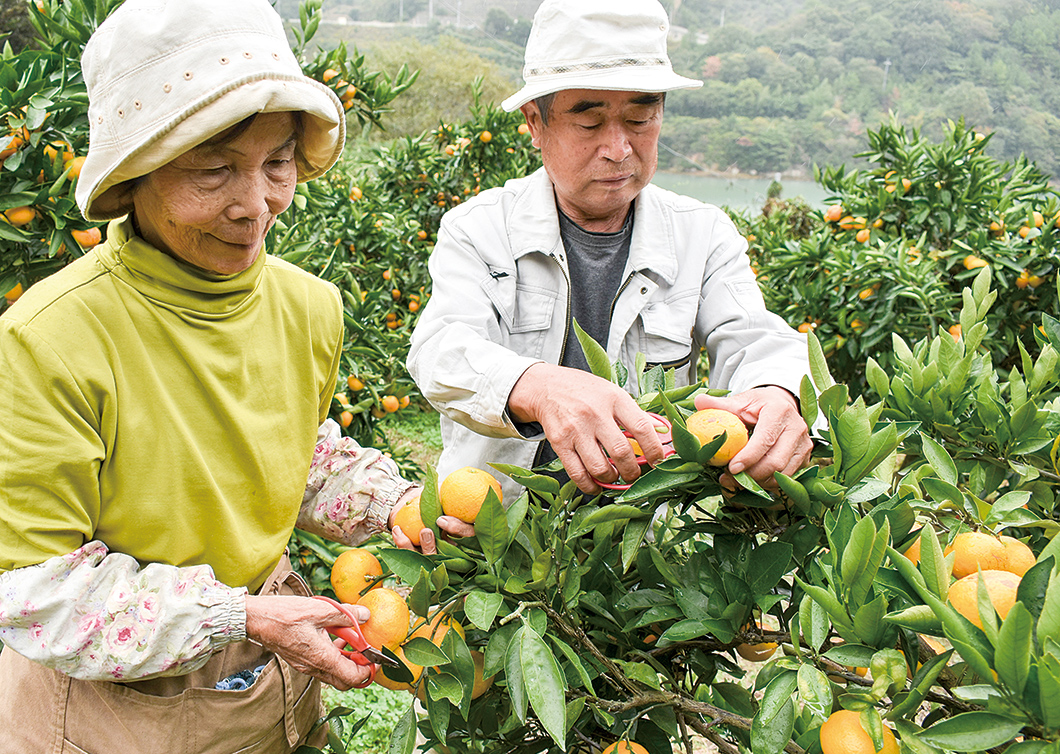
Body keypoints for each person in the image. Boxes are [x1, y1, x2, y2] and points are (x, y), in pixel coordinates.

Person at [0, 1, 462, 751]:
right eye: (214, 170)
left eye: (276, 163)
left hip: (271, 695)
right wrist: (238, 614)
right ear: (134, 173)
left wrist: (400, 505)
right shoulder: (48, 339)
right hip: (105, 717)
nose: (255, 207)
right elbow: (34, 593)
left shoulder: (308, 306)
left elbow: (289, 452)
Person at [408, 0, 814, 502]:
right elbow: (441, 350)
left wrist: (780, 391)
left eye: (640, 119)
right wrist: (538, 386)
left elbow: (755, 338)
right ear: (536, 123)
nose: (619, 148)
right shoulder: (480, 228)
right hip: (498, 534)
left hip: (648, 544)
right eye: (590, 123)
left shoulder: (701, 234)